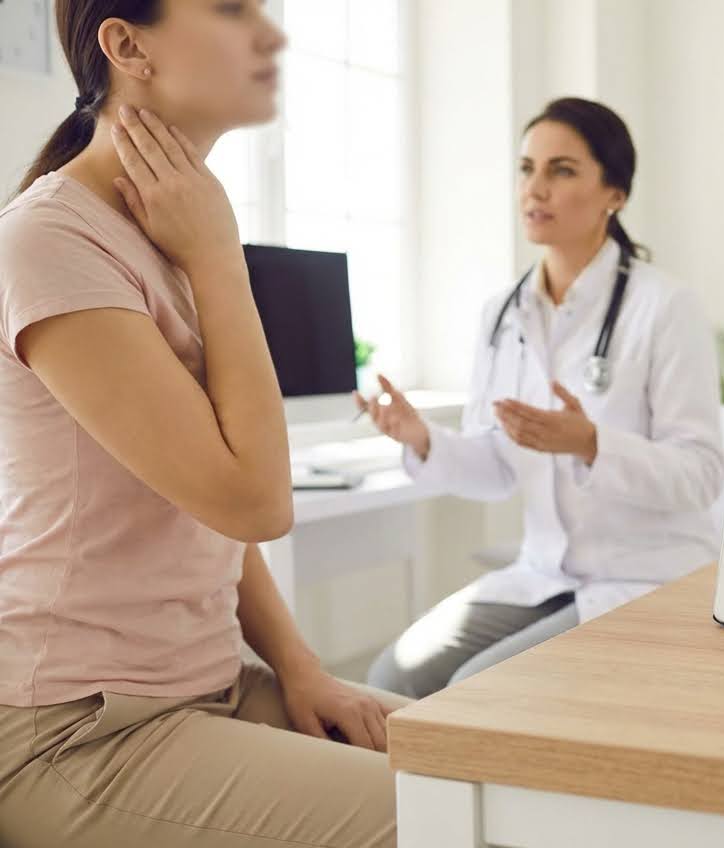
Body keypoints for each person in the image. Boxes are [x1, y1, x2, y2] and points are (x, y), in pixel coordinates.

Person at [0, 2, 408, 845]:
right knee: (449, 821)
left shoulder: (166, 233)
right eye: (230, 8)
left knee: (503, 770)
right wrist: (220, 255)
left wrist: (300, 668)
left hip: (210, 683)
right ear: (126, 45)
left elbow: (203, 512)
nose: (272, 34)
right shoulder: (52, 242)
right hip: (76, 728)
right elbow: (254, 503)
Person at [361, 97, 724, 699]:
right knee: (392, 677)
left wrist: (592, 445)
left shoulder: (664, 306)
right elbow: (497, 470)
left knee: (478, 690)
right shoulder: (501, 314)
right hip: (545, 574)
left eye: (562, 170)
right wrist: (422, 440)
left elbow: (702, 475)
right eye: (527, 169)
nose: (535, 188)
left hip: (647, 575)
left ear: (614, 193)